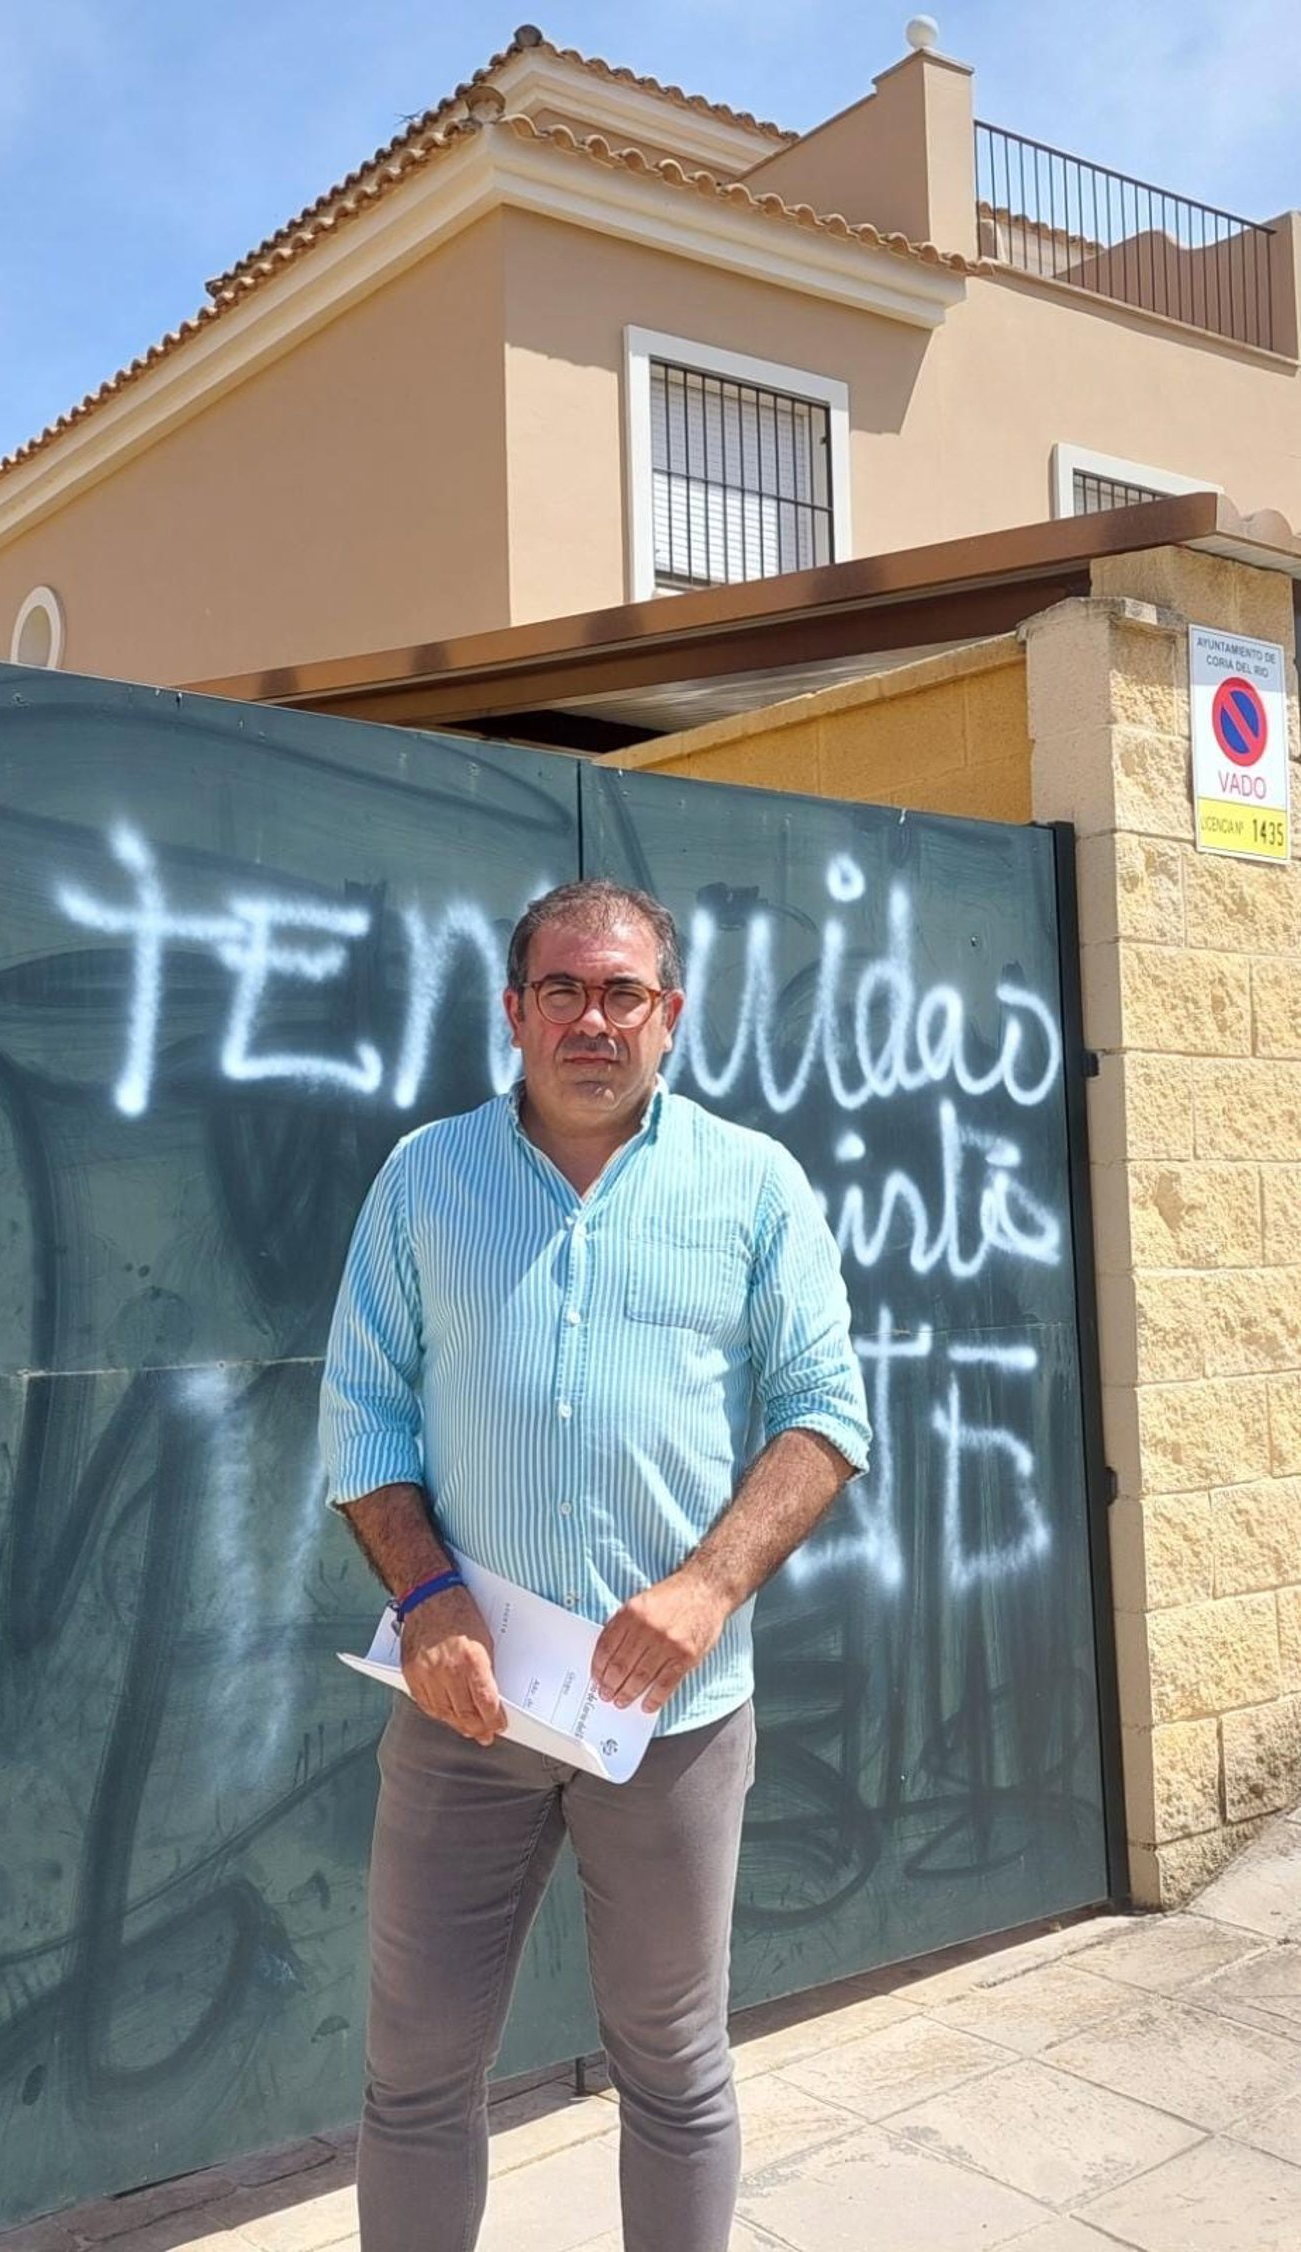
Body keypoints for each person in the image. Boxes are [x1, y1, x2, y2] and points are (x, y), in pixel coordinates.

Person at [318, 878, 871, 2252]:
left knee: (675, 2067)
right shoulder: (424, 1178)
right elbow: (363, 1414)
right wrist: (427, 1597)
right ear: (514, 1012)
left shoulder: (752, 1183)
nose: (592, 1019)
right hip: (466, 1708)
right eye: (561, 989)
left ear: (669, 1015)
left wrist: (706, 1588)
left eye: (622, 992)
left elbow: (825, 1414)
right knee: (416, 2073)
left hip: (672, 1718)